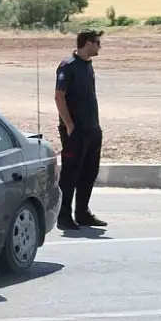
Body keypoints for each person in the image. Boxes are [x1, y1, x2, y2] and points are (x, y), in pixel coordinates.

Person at [54, 29, 108, 231]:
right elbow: (59, 96)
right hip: (75, 131)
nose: (99, 46)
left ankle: (83, 213)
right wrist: (69, 125)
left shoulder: (88, 66)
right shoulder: (68, 66)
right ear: (87, 43)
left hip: (92, 129)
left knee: (89, 172)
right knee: (70, 174)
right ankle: (64, 216)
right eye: (97, 42)